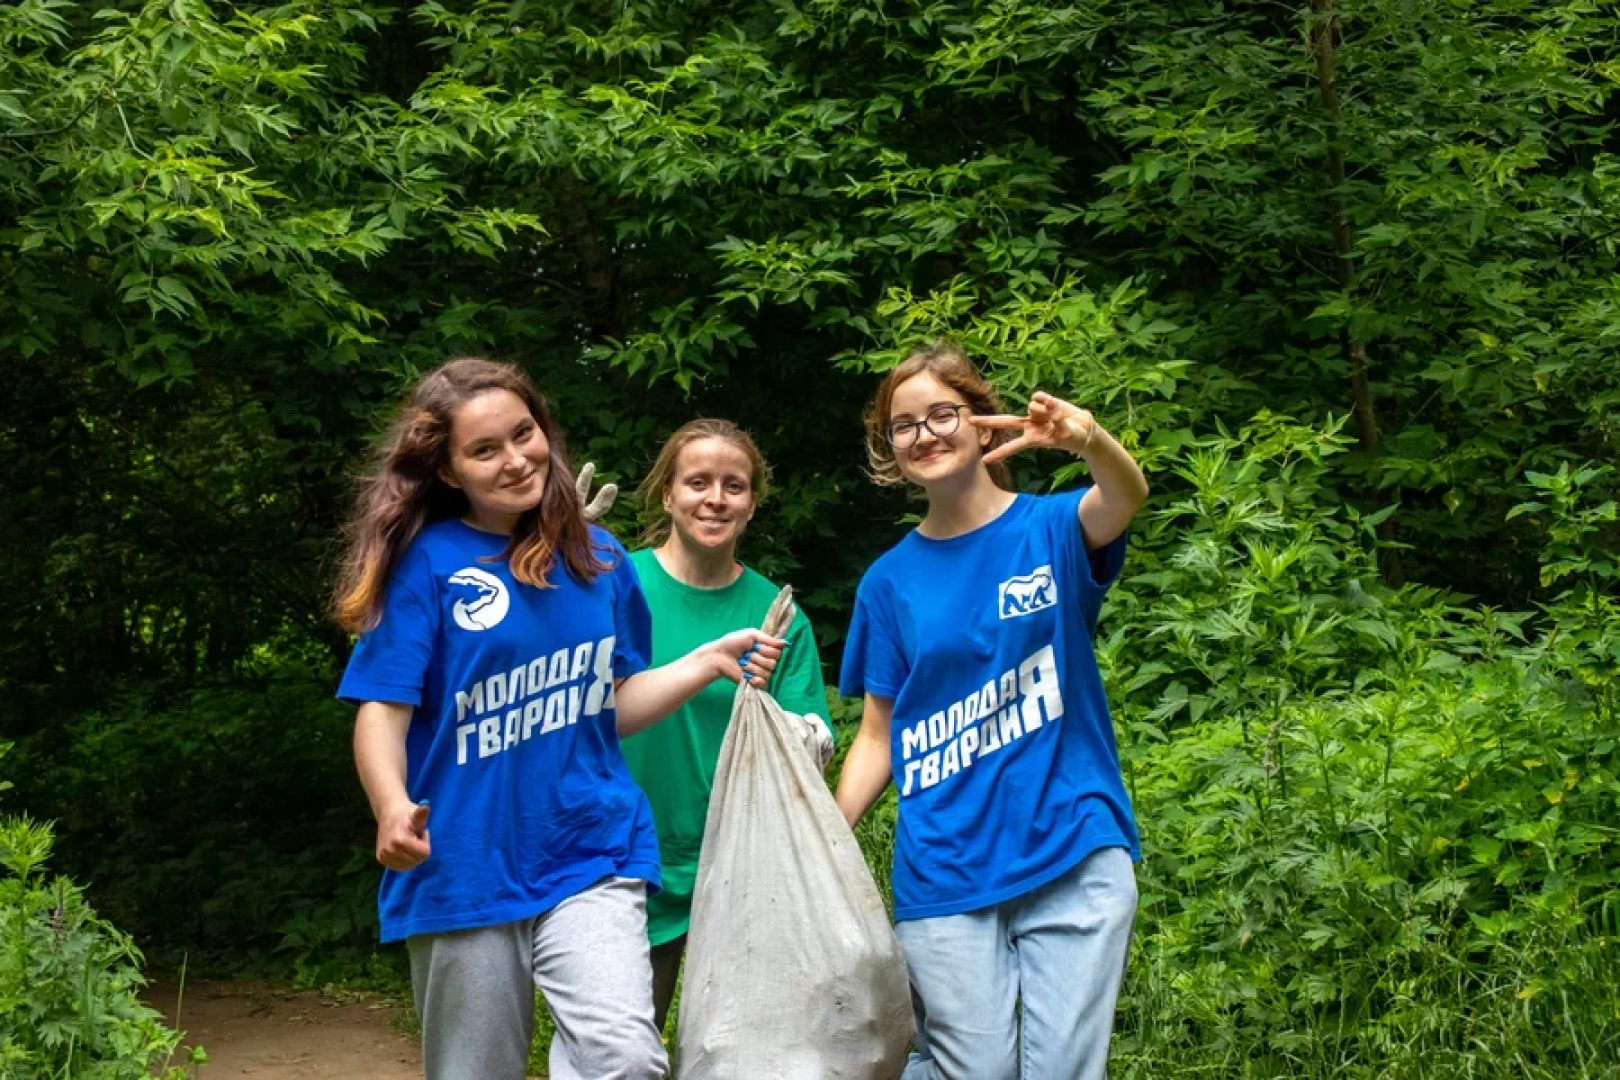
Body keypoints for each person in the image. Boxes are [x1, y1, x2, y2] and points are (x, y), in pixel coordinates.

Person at [330, 358, 783, 1080]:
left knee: (625, 1061)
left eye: (524, 434)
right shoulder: (425, 565)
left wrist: (703, 662)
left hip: (590, 848)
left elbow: (607, 706)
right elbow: (383, 709)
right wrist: (390, 806)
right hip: (464, 865)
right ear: (448, 470)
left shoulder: (599, 558)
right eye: (484, 449)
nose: (516, 460)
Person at [833, 342, 1150, 1080]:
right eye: (904, 426)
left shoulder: (1050, 529)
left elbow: (1125, 496)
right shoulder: (887, 583)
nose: (925, 434)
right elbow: (877, 736)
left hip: (1071, 845)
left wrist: (1088, 439)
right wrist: (823, 836)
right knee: (971, 1070)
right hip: (944, 864)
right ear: (890, 451)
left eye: (942, 414)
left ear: (981, 423)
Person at [619, 418, 833, 1033]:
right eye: (698, 482)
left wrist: (788, 724)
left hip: (743, 872)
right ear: (667, 493)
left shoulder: (777, 615)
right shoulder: (617, 587)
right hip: (628, 861)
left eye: (733, 486)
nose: (715, 499)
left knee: (742, 1053)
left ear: (752, 503)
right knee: (620, 1054)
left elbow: (812, 748)